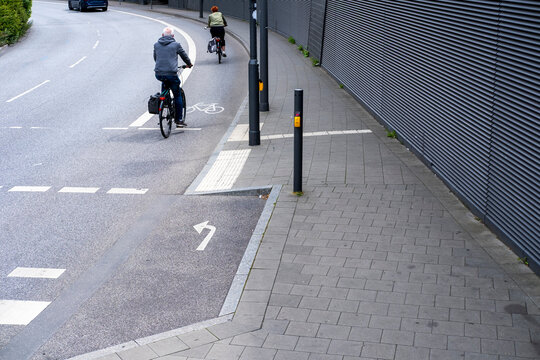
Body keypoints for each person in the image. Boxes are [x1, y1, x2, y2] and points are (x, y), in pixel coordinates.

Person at [153, 27, 193, 127]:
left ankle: (164, 102)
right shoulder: (176, 45)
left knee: (164, 85)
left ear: (162, 35)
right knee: (177, 95)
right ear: (173, 36)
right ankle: (179, 120)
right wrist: (189, 64)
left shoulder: (156, 45)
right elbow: (184, 56)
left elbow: (156, 58)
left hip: (159, 73)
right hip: (171, 74)